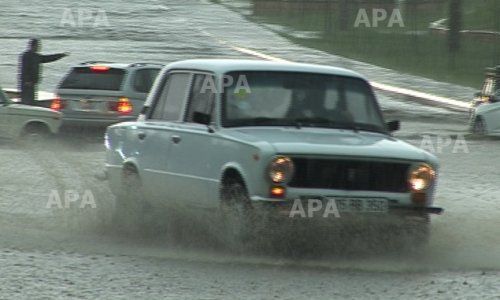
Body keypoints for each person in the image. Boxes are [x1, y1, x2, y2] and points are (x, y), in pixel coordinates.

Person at [18, 39, 68, 105]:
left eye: (39, 45)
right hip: (27, 83)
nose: (39, 47)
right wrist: (27, 80)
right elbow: (25, 68)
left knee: (31, 100)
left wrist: (60, 55)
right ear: (32, 45)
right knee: (26, 100)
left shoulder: (36, 56)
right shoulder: (27, 55)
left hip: (33, 82)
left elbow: (47, 58)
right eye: (37, 45)